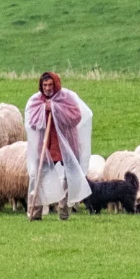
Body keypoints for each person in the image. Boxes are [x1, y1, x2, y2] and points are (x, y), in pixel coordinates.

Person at [24, 71, 92, 220]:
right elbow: (32, 122)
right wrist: (44, 110)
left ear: (56, 84)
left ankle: (64, 212)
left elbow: (76, 117)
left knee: (69, 177)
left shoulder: (66, 98)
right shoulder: (37, 101)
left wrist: (55, 109)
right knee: (38, 176)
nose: (48, 88)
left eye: (50, 85)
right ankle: (34, 212)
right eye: (45, 85)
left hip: (66, 144)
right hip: (46, 145)